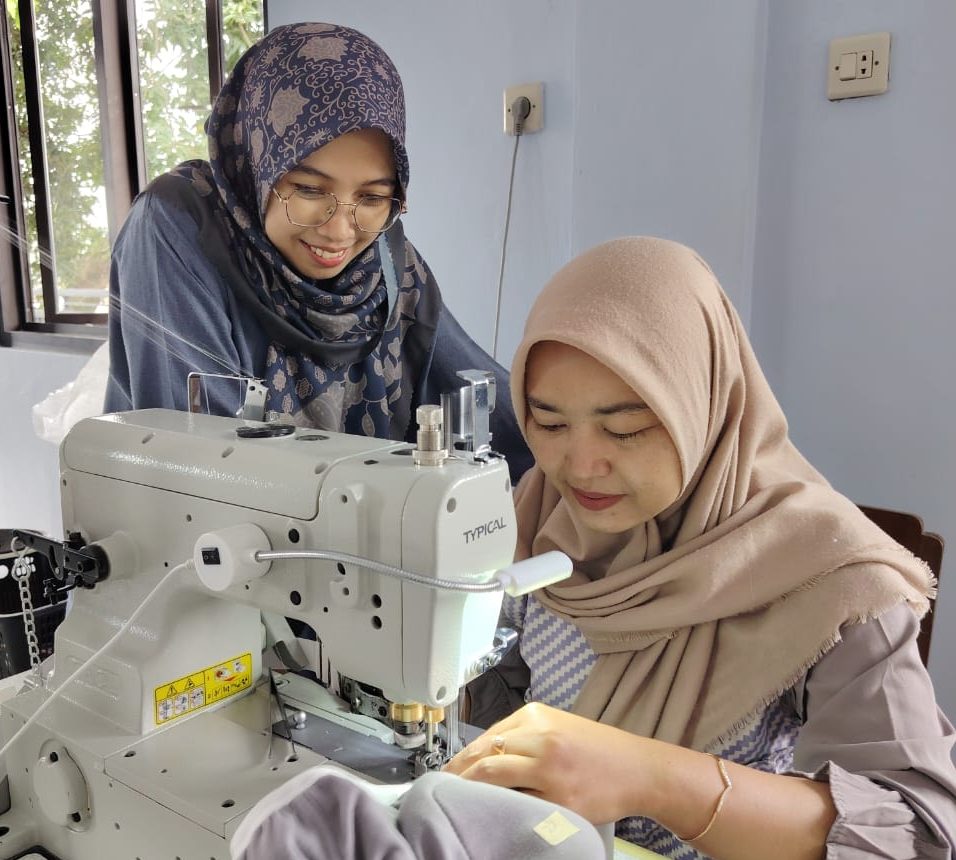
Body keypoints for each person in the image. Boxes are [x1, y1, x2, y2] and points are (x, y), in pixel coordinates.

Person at [446, 236, 956, 859]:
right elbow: (494, 685)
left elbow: (915, 832)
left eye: (626, 428)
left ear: (704, 405)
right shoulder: (539, 511)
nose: (578, 465)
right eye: (548, 424)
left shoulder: (832, 579)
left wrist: (657, 778)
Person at [104, 22, 530, 479]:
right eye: (309, 189)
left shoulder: (385, 261)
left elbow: (491, 400)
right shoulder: (177, 227)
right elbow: (202, 457)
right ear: (258, 162)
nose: (339, 231)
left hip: (348, 536)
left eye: (371, 198)